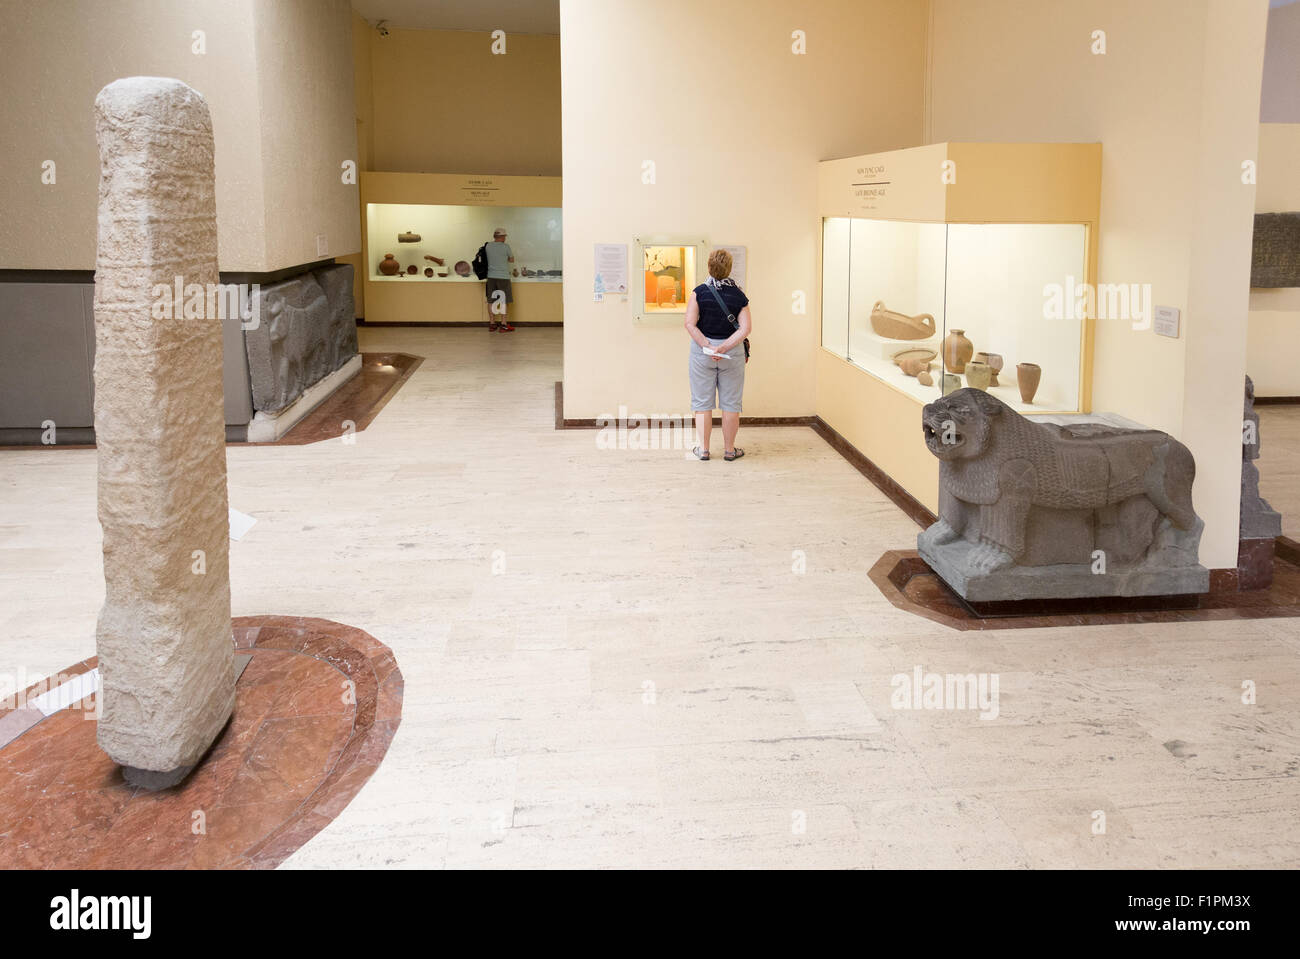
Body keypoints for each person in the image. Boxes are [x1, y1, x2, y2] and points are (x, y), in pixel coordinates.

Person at [684, 249, 752, 461]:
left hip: (702, 354)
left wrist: (708, 346)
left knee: (702, 403)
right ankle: (730, 451)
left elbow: (689, 323)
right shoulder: (739, 295)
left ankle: (703, 450)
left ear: (709, 267)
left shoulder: (699, 292)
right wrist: (723, 348)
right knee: (731, 404)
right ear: (729, 268)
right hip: (731, 354)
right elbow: (745, 328)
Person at [484, 227, 516, 332]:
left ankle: (492, 324)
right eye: (504, 236)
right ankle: (503, 324)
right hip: (503, 277)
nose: (505, 238)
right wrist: (504, 258)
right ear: (501, 237)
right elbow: (511, 260)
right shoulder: (506, 247)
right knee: (503, 301)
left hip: (491, 276)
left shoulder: (488, 246)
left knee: (490, 301)